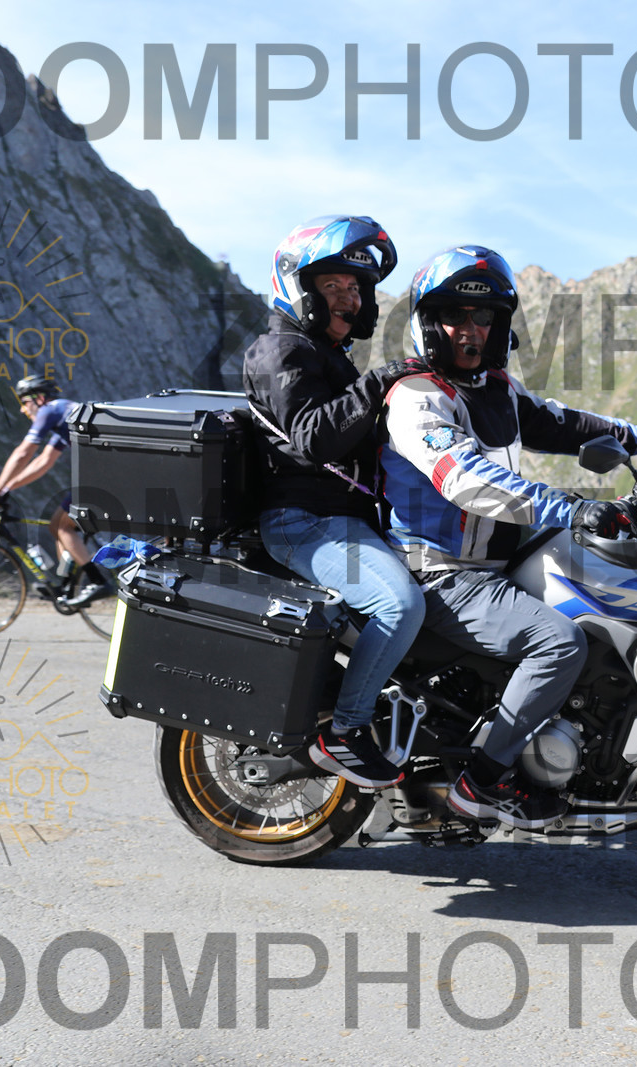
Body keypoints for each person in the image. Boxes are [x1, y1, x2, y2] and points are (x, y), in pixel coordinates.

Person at [381, 246, 637, 830]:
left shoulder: (495, 388)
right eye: (454, 315)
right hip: (443, 571)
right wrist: (571, 508)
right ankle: (483, 782)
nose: (471, 329)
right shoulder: (416, 396)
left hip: (496, 559)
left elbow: (567, 423)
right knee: (560, 643)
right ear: (428, 323)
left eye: (484, 317)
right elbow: (467, 480)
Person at [242, 214, 426, 790]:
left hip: (341, 520)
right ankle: (345, 732)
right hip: (304, 521)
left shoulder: (324, 352)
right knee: (399, 606)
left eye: (355, 288)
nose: (349, 298)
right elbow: (315, 438)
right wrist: (380, 381)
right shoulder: (281, 351)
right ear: (300, 288)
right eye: (333, 286)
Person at [0, 375, 111, 608]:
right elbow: (43, 462)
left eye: (24, 402)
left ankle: (99, 582)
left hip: (101, 477)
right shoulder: (64, 414)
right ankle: (66, 584)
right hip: (101, 475)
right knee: (55, 525)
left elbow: (24, 453)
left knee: (63, 527)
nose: (22, 409)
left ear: (39, 398)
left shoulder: (51, 410)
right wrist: (6, 488)